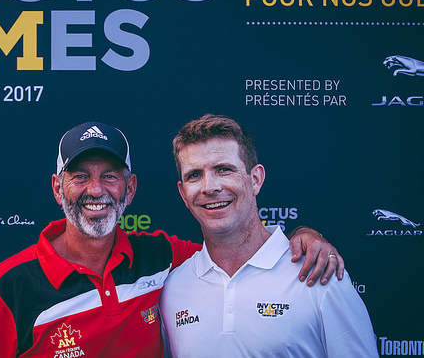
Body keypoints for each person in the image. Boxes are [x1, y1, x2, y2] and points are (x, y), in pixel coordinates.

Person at [0, 121, 344, 358]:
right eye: (79, 176)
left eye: (110, 176)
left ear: (130, 188)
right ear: (57, 188)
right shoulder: (10, 286)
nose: (95, 190)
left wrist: (302, 237)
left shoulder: (161, 257)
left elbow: (237, 251)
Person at [159, 114, 378, 357]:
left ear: (255, 179)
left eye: (223, 169)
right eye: (194, 175)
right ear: (183, 193)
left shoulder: (319, 273)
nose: (210, 187)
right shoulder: (172, 288)